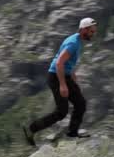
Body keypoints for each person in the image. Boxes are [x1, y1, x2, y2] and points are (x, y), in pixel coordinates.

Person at [22, 17, 98, 146]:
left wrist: (72, 75)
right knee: (61, 112)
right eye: (91, 31)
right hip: (56, 77)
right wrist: (63, 85)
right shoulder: (73, 43)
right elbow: (59, 63)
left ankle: (72, 133)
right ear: (84, 29)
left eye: (94, 31)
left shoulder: (77, 40)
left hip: (64, 75)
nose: (93, 34)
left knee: (80, 103)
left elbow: (67, 62)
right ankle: (31, 129)